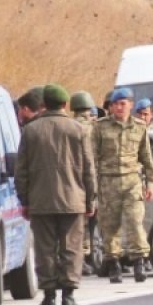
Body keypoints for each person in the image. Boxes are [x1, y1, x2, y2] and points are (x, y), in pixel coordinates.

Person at [15, 84, 96, 305]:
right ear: (65, 104)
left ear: (43, 104)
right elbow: (89, 170)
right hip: (73, 200)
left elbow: (21, 171)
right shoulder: (78, 129)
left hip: (40, 201)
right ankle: (68, 297)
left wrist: (25, 200)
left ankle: (49, 297)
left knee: (45, 249)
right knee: (72, 248)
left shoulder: (31, 131)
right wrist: (90, 200)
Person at [92, 88, 153, 284]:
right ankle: (114, 263)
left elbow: (146, 156)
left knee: (135, 222)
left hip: (132, 182)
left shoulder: (139, 127)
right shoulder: (100, 127)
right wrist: (92, 185)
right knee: (109, 225)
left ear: (130, 105)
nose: (119, 107)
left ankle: (139, 261)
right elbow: (92, 157)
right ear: (111, 107)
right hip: (108, 181)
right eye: (115, 104)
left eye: (123, 104)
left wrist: (150, 182)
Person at [70, 91, 98, 276]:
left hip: (73, 178)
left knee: (79, 223)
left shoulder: (70, 126)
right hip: (94, 176)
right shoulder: (96, 127)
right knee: (93, 219)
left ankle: (80, 258)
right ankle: (91, 258)